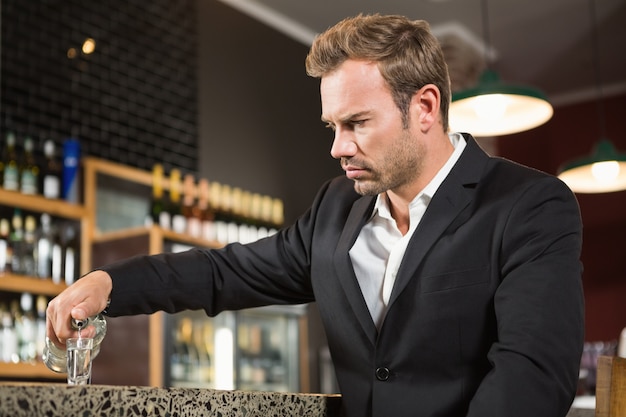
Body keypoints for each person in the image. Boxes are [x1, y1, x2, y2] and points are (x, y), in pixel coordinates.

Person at [47, 14, 584, 417]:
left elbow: (531, 374)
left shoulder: (529, 206)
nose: (338, 147)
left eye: (356, 123)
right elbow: (223, 273)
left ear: (425, 107)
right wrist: (109, 282)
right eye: (332, 127)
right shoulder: (335, 209)